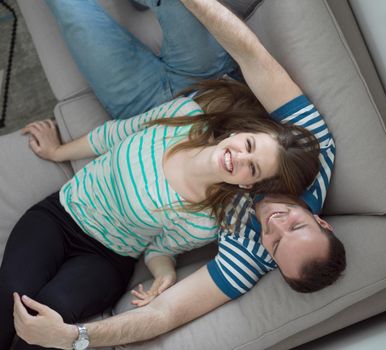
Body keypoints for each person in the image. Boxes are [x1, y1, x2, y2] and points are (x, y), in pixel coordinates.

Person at [11, 0, 346, 348]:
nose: (275, 224)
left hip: (139, 109)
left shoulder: (249, 253)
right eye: (295, 225)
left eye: (276, 243)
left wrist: (73, 337)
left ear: (273, 260)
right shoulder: (312, 152)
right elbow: (252, 57)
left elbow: (165, 314)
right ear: (322, 222)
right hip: (206, 87)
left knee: (72, 12)